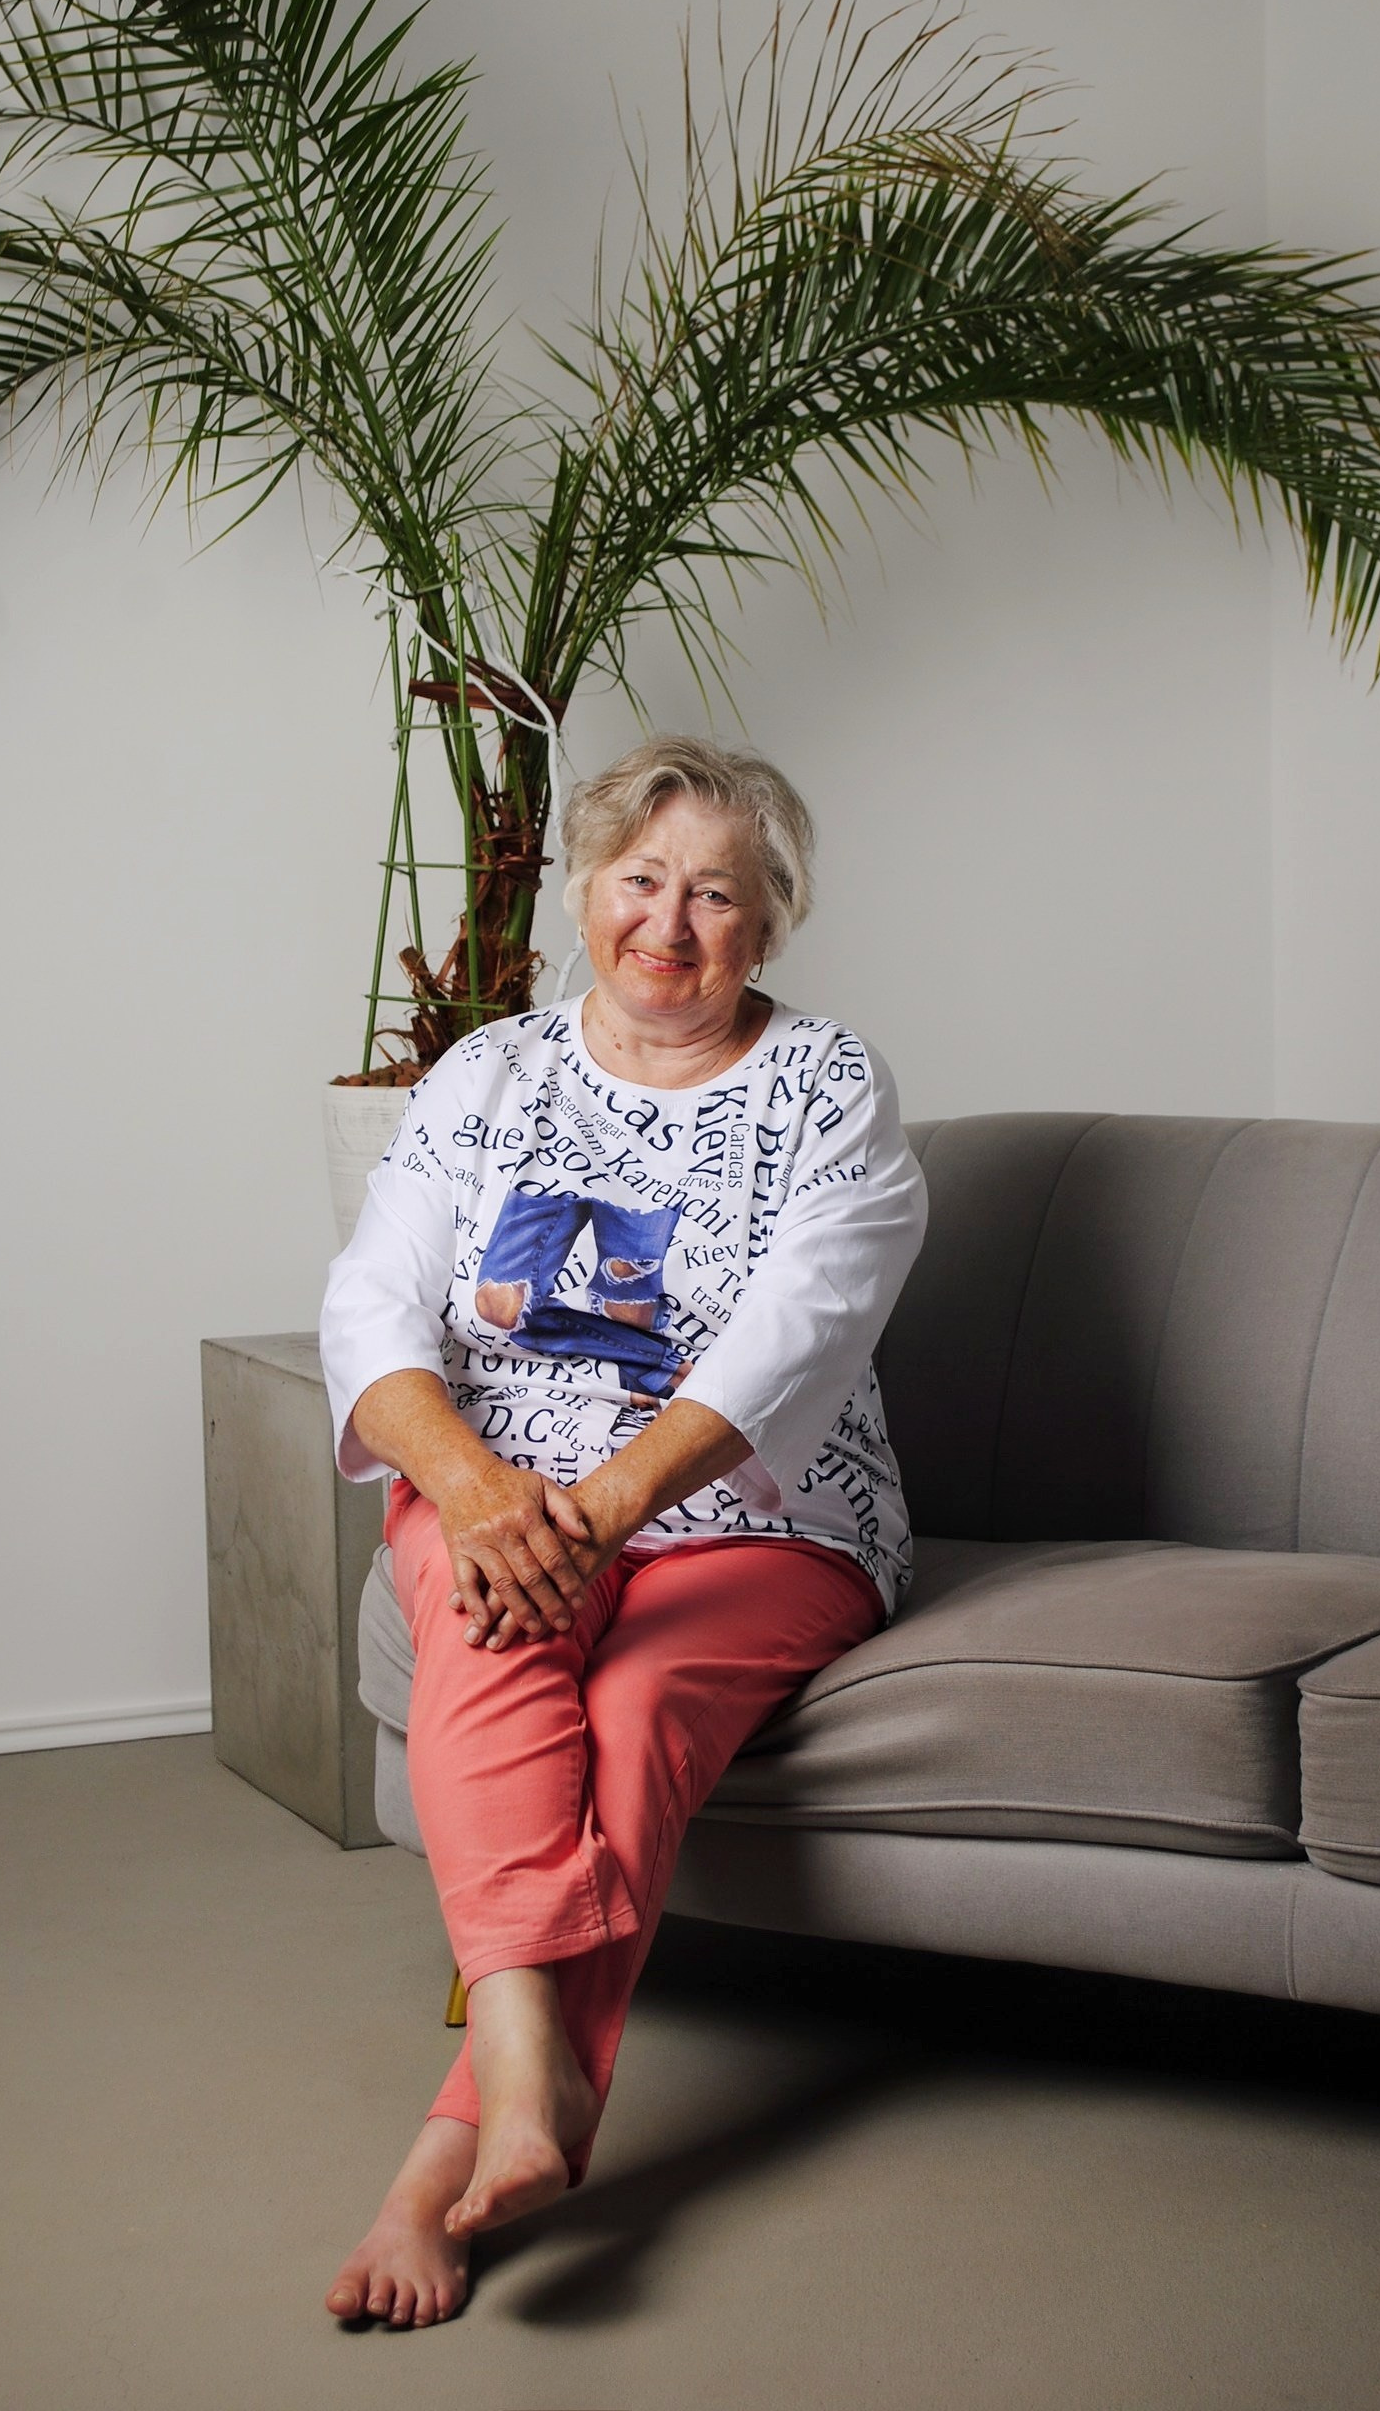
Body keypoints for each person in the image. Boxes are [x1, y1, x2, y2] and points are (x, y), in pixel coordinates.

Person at [319, 734, 928, 2326]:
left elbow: (798, 1332)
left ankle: (444, 2154)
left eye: (714, 895)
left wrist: (593, 1515)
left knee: (641, 1699)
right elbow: (372, 1299)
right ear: (586, 889)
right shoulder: (485, 1073)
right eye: (640, 880)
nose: (669, 922)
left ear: (767, 922)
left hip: (750, 1517)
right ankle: (533, 2080)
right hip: (495, 1489)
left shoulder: (828, 1086)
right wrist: (476, 1494)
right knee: (489, 1614)